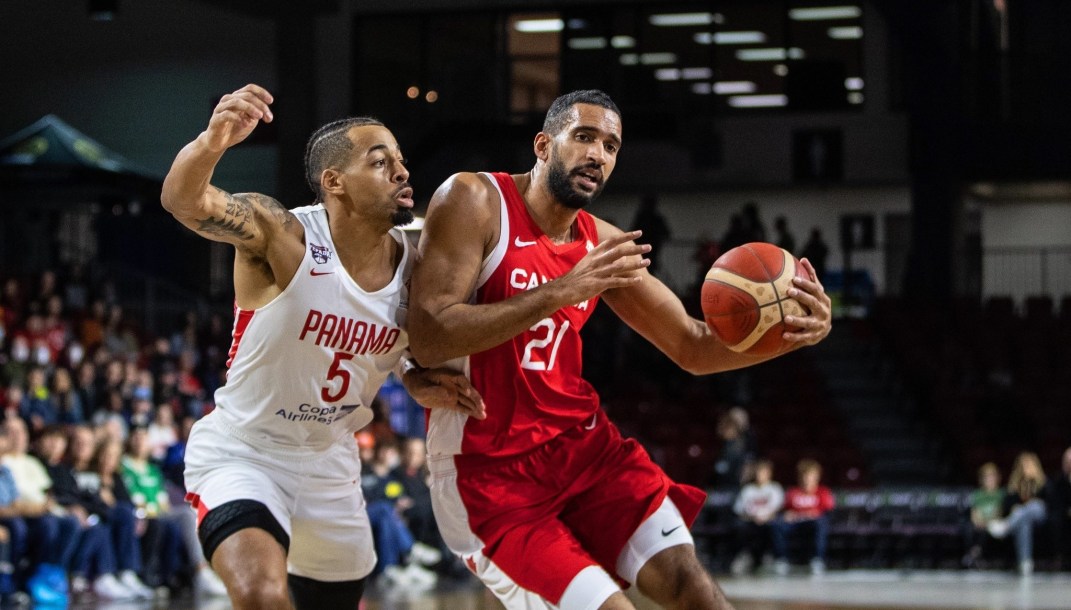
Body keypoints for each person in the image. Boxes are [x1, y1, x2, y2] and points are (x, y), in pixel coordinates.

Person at [409, 89, 831, 610]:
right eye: (584, 137)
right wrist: (560, 291)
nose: (598, 155)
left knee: (693, 588)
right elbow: (429, 334)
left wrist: (794, 336)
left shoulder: (602, 244)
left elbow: (693, 345)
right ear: (543, 144)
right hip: (489, 475)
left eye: (611, 146)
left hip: (584, 452)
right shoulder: (474, 200)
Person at [160, 83, 484, 610]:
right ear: (334, 182)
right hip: (246, 451)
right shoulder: (281, 234)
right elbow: (183, 201)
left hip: (330, 461)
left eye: (401, 161)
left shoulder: (419, 266)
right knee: (262, 596)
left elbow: (392, 334)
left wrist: (410, 372)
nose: (402, 172)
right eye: (381, 162)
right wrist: (213, 141)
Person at [987, 451, 1051, 575]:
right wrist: (1016, 508)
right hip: (1023, 518)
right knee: (1023, 522)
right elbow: (1008, 504)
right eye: (1022, 466)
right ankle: (1025, 562)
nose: (1025, 468)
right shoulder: (1014, 486)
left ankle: (1006, 526)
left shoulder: (1043, 483)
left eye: (1028, 465)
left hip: (1040, 515)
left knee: (1033, 505)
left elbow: (1048, 501)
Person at [770, 459, 835, 576]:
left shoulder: (823, 492)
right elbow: (786, 510)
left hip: (813, 524)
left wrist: (810, 514)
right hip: (795, 523)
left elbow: (826, 511)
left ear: (817, 477)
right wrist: (787, 514)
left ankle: (817, 560)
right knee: (777, 524)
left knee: (820, 523)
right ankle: (781, 560)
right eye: (804, 476)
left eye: (810, 476)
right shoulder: (793, 492)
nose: (807, 479)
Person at [730, 459, 783, 576]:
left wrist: (765, 517)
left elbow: (777, 509)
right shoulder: (748, 490)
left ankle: (772, 558)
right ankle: (744, 556)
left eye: (763, 472)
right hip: (750, 520)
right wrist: (752, 517)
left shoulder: (775, 488)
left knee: (774, 526)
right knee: (739, 526)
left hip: (769, 520)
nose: (760, 475)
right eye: (758, 472)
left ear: (769, 473)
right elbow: (739, 510)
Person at [961, 462, 1006, 568]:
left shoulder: (1001, 494)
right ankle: (974, 554)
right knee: (968, 527)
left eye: (992, 476)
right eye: (986, 477)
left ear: (997, 478)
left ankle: (973, 556)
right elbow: (974, 513)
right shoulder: (978, 494)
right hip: (979, 523)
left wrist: (987, 522)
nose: (989, 480)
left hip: (994, 523)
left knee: (988, 529)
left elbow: (1000, 513)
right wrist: (978, 522)